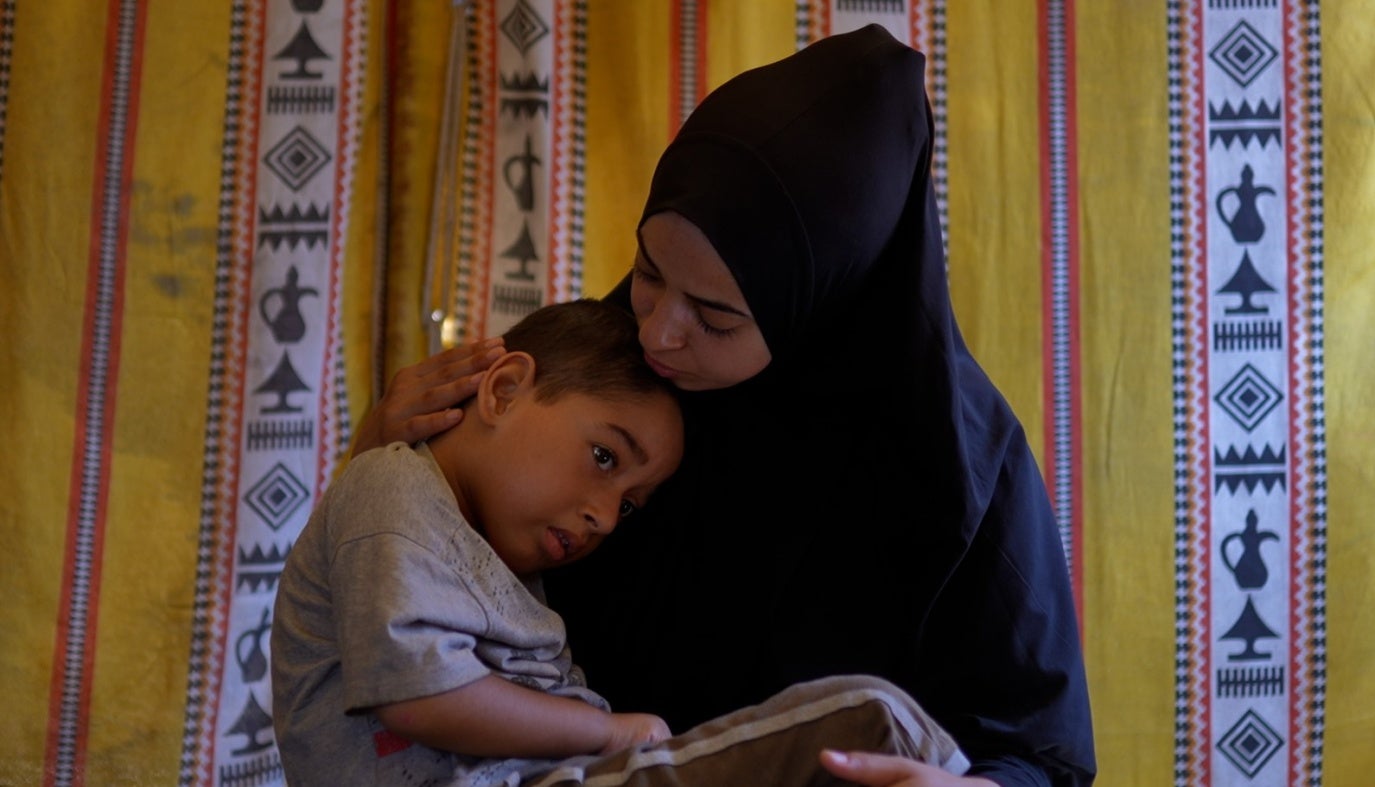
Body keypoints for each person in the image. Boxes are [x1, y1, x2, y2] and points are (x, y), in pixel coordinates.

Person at [353, 24, 1096, 787]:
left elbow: (1045, 753)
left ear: (821, 306)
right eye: (647, 270)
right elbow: (401, 607)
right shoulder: (597, 375)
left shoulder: (960, 467)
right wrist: (383, 457)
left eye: (715, 316)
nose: (659, 331)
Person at [273, 298, 972, 786]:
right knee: (867, 721)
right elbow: (418, 693)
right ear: (505, 388)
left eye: (631, 505)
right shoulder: (389, 481)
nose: (607, 518)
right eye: (606, 457)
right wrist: (610, 733)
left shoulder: (490, 551)